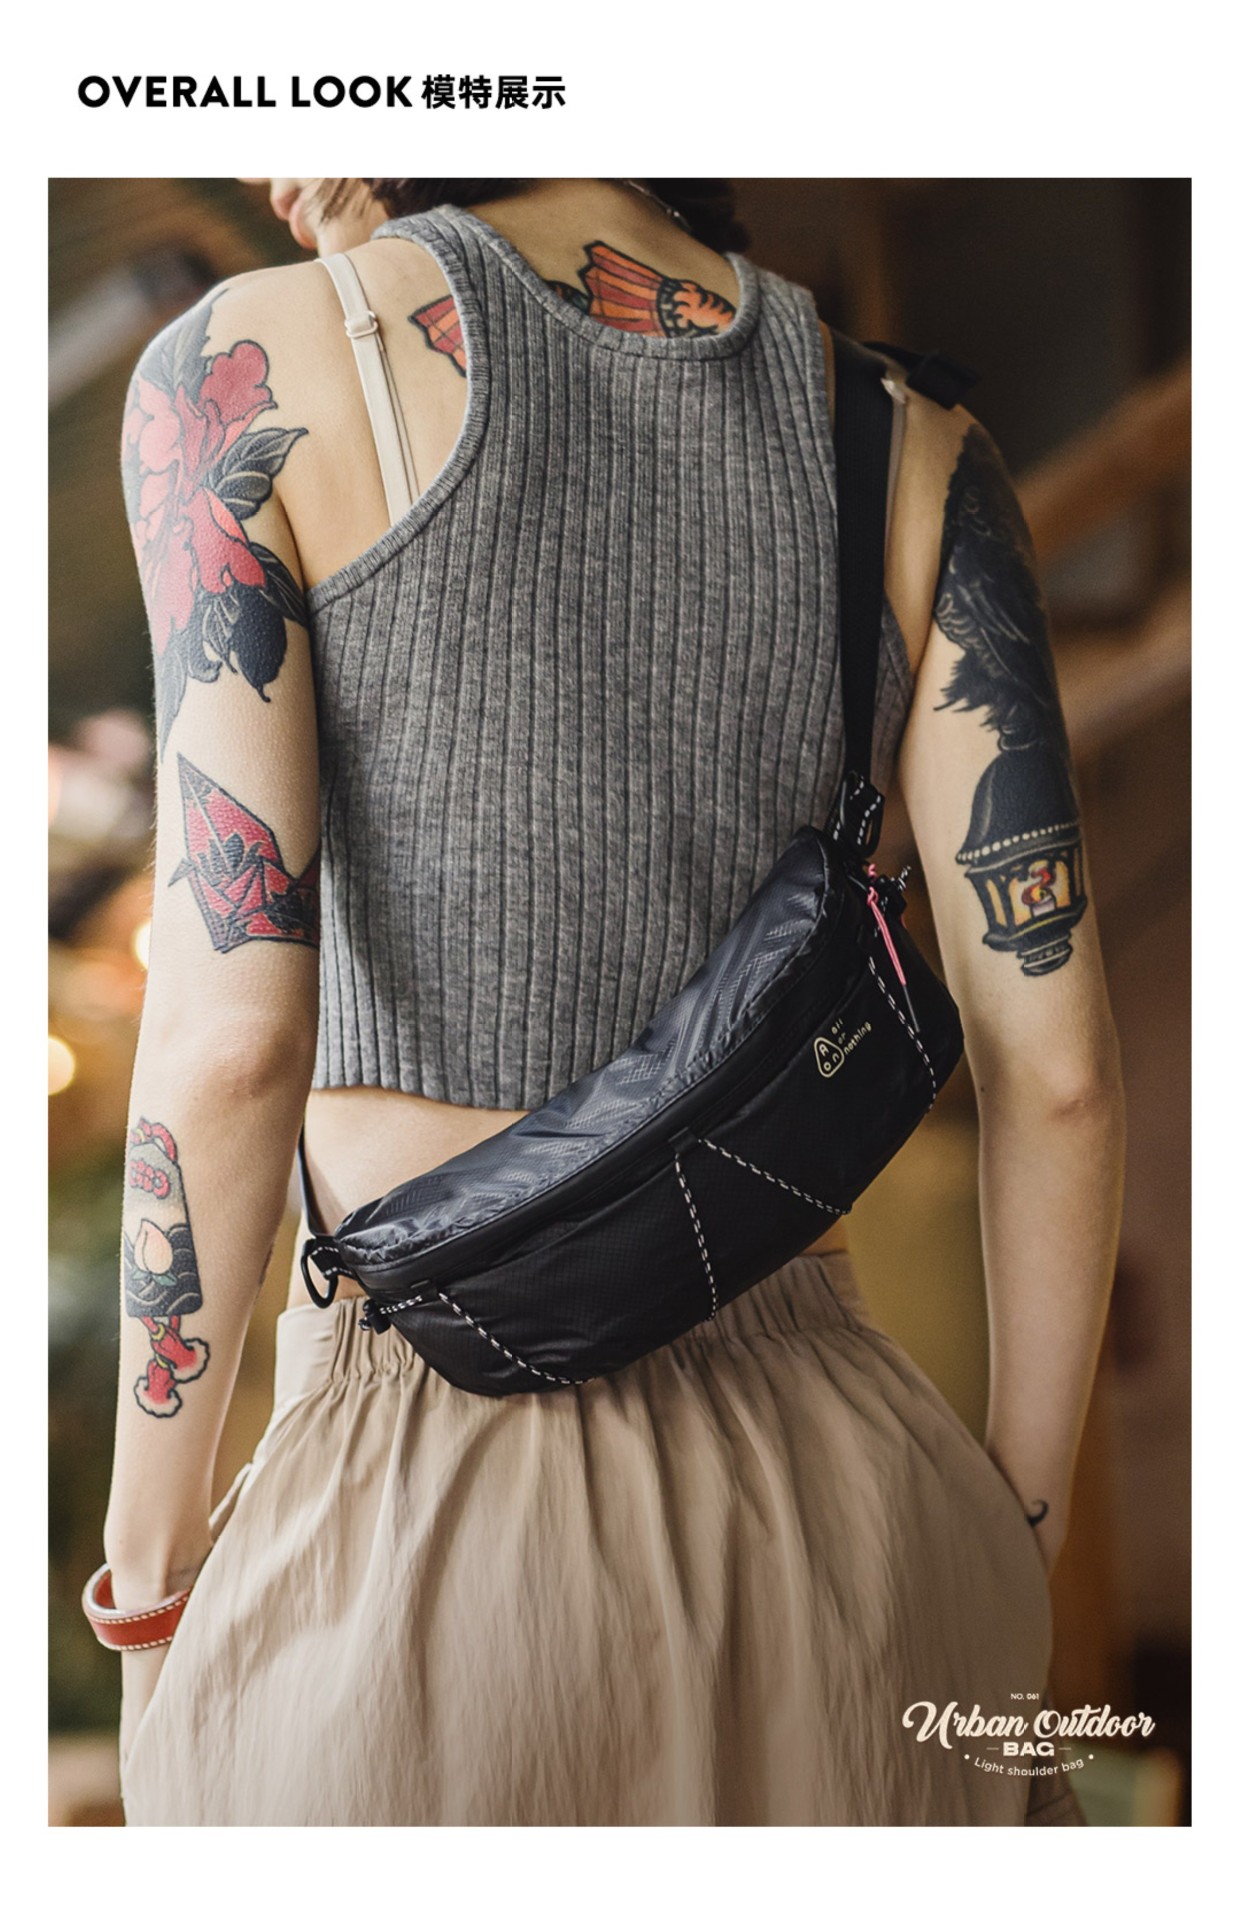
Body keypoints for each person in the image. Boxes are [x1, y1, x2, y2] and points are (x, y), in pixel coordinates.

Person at [97, 177, 1124, 1825]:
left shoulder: (248, 374)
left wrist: (148, 1600)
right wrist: (1015, 1531)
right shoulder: (914, 440)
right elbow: (1059, 1075)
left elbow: (230, 1044)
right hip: (865, 1517)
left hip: (416, 1521)